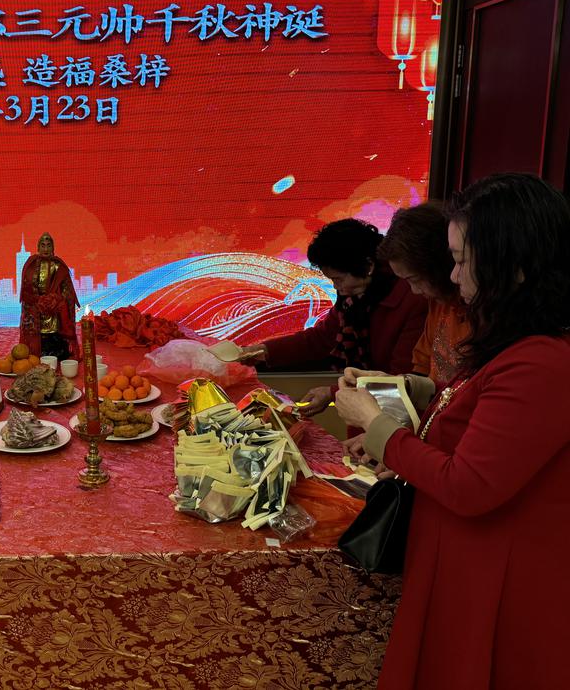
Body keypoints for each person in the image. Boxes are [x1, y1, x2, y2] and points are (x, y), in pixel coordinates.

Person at [336, 173, 570, 689]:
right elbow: (474, 413)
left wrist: (376, 425)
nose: (455, 276)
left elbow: (470, 484)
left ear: (515, 266)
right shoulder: (511, 341)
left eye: (463, 260)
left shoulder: (542, 361)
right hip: (463, 559)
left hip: (497, 572)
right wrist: (413, 392)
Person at [241, 218, 428, 415]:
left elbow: (399, 379)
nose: (336, 286)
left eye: (338, 279)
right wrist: (263, 351)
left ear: (368, 266)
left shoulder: (412, 299)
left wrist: (333, 393)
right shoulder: (353, 300)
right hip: (364, 410)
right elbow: (319, 339)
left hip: (397, 415)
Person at [378, 202, 470, 385]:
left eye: (415, 279)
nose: (415, 291)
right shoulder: (439, 304)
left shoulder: (480, 313)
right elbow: (422, 370)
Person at [18, 232, 79, 359]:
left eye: (48, 245)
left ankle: (55, 349)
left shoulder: (58, 266)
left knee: (54, 333)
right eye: (43, 245)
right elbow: (26, 288)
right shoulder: (31, 265)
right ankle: (36, 349)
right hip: (37, 307)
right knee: (38, 334)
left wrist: (55, 300)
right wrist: (37, 300)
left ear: (53, 248)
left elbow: (67, 289)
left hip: (53, 308)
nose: (46, 249)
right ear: (38, 247)